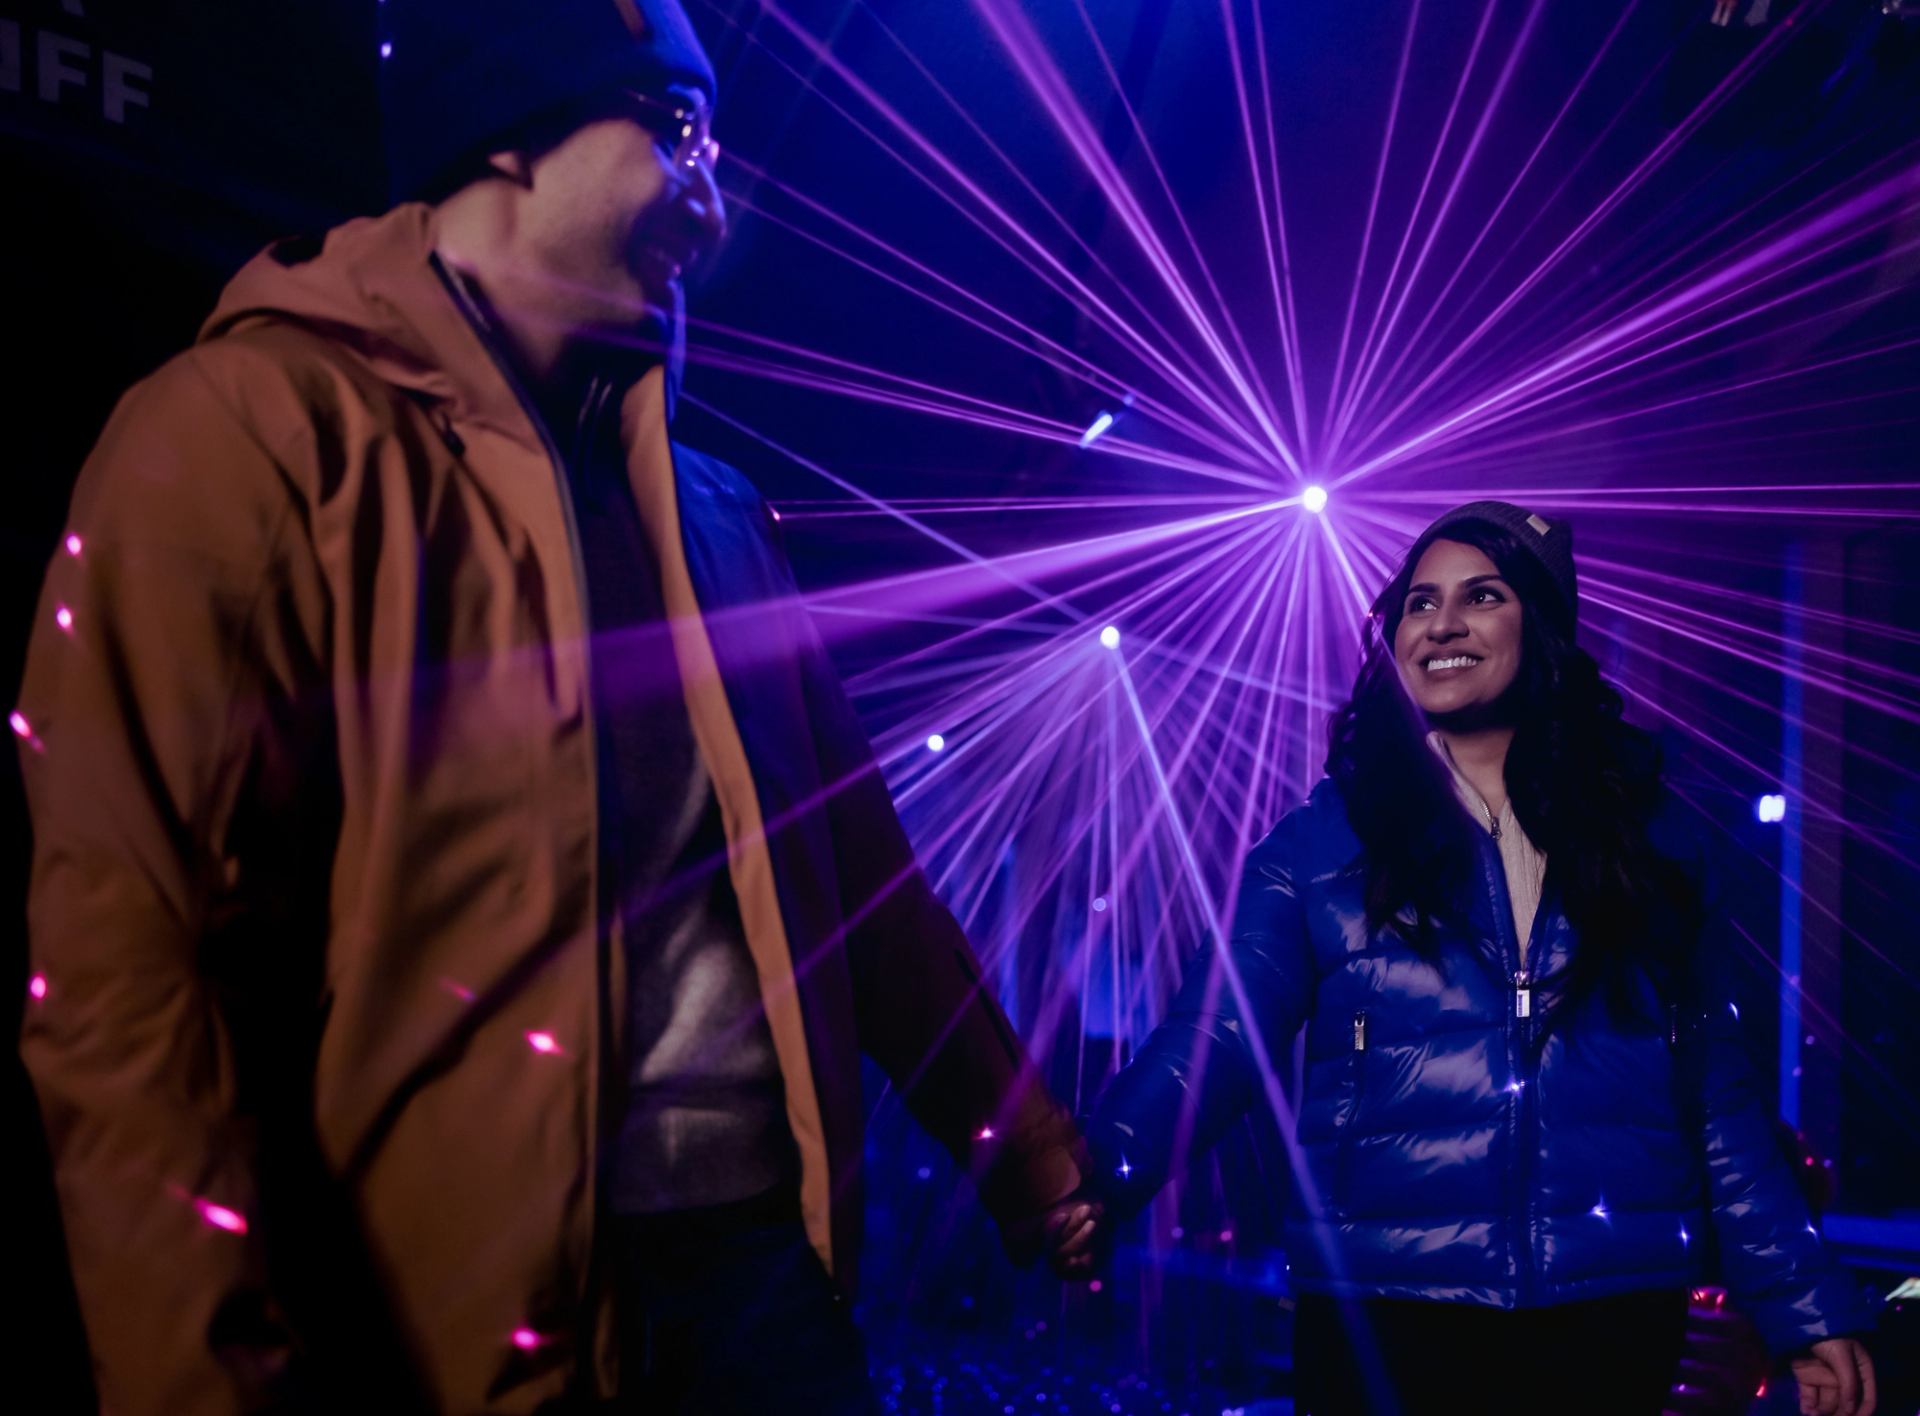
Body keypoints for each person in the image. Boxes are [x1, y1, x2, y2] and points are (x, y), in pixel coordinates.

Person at [14, 3, 1095, 1412]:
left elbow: (864, 895)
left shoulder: (712, 512)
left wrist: (1030, 1157)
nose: (711, 205)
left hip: (766, 1283)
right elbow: (130, 978)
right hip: (450, 1329)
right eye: (681, 132)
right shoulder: (241, 436)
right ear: (512, 136)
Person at [1085, 501, 1877, 1416]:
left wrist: (1805, 1307)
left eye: (1482, 595)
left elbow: (1718, 1096)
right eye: (1419, 603)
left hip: (1607, 1311)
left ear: (1539, 624)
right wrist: (1099, 1172)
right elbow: (1214, 1037)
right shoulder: (1315, 845)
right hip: (1384, 1310)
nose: (1443, 624)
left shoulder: (1650, 845)